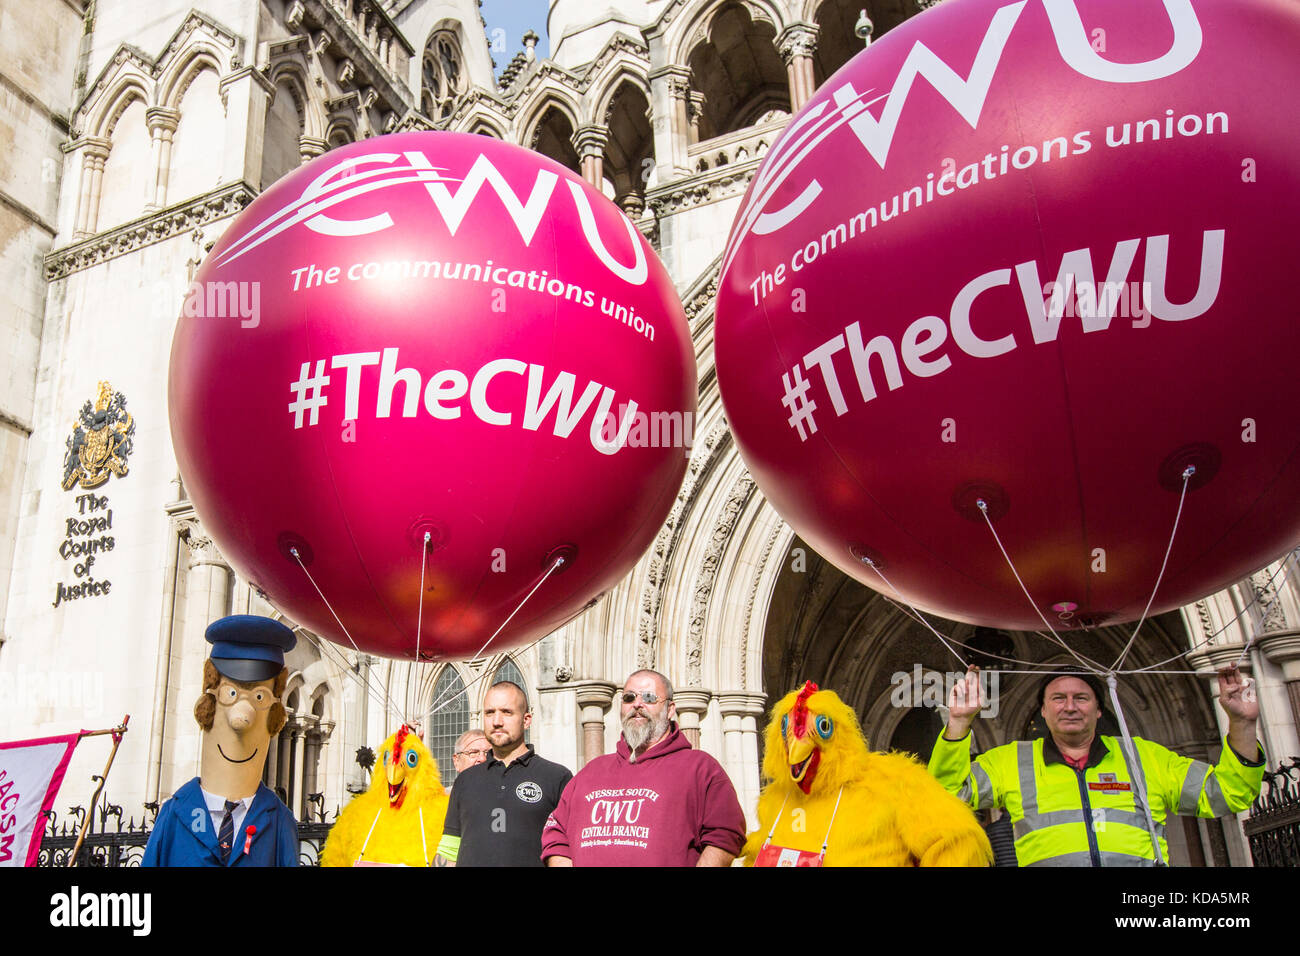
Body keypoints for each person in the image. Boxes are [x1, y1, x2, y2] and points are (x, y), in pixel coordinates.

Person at [928, 663, 1265, 866]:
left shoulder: (1143, 756)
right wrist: (959, 722)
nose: (1070, 707)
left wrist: (1242, 724)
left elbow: (1228, 793)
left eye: (1081, 698)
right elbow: (945, 795)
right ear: (1043, 711)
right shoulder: (1011, 759)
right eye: (1058, 699)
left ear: (1099, 710)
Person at [541, 669, 746, 866]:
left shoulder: (700, 768)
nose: (637, 704)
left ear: (670, 709)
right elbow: (556, 833)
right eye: (629, 698)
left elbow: (725, 834)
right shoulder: (591, 771)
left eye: (649, 698)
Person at [143, 615, 299, 867]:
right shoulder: (175, 814)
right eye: (231, 694)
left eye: (259, 697)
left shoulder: (279, 821)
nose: (242, 719)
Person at [435, 682, 571, 866]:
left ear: (526, 720)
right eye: (490, 712)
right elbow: (449, 851)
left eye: (507, 712)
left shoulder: (557, 778)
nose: (497, 721)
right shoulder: (465, 781)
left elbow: (566, 851)